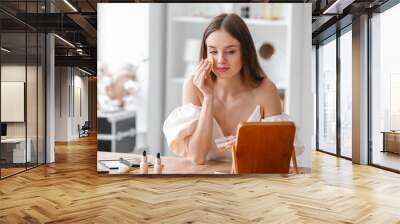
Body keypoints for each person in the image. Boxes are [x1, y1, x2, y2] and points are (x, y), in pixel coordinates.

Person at [163, 13, 282, 165]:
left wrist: (250, 144)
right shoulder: (193, 86)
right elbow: (197, 157)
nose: (220, 60)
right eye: (213, 51)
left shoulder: (266, 90)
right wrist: (208, 98)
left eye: (230, 51)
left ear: (245, 52)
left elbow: (278, 154)